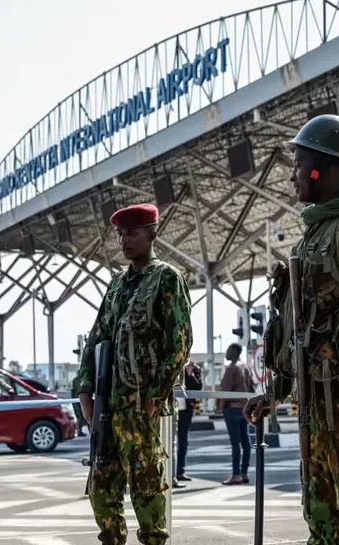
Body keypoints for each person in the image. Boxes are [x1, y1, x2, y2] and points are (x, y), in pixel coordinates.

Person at [243, 114, 339, 545]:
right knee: (323, 522)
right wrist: (275, 393)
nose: (294, 176)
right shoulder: (310, 237)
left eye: (300, 165)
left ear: (326, 168)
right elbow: (302, 334)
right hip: (317, 410)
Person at [72, 203, 193, 545]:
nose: (125, 240)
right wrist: (84, 392)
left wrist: (155, 397)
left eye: (133, 233)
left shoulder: (166, 278)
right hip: (107, 407)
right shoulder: (116, 286)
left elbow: (180, 343)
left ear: (153, 234)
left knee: (147, 489)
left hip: (141, 408)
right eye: (121, 234)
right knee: (101, 488)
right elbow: (95, 339)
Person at [219, 344, 255, 485]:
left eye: (228, 350)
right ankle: (244, 473)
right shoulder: (246, 367)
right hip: (244, 408)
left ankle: (236, 474)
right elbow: (252, 387)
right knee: (246, 442)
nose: (226, 353)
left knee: (235, 443)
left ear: (233, 352)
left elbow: (224, 390)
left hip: (232, 408)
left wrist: (221, 407)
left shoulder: (231, 369)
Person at [176, 359, 203, 482]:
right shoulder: (174, 365)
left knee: (183, 440)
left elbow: (198, 387)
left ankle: (180, 470)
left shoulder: (195, 369)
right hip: (173, 406)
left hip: (185, 409)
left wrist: (189, 374)